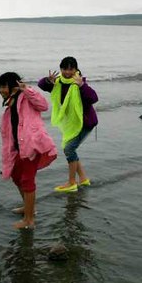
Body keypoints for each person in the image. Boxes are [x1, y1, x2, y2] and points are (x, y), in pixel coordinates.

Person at [0, 72, 57, 229]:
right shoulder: (10, 102)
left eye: (4, 86)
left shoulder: (26, 96)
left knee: (27, 180)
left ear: (13, 86)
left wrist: (27, 89)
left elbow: (43, 106)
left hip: (33, 146)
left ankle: (29, 220)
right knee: (16, 176)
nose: (1, 90)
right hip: (19, 147)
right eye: (0, 87)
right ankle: (28, 207)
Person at [38, 56, 98, 193]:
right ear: (61, 69)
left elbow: (93, 98)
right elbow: (42, 85)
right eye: (65, 69)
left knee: (69, 149)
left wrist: (82, 86)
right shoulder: (58, 82)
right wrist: (48, 80)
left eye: (71, 69)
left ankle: (71, 183)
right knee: (70, 149)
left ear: (76, 69)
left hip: (85, 122)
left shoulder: (79, 83)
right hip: (71, 123)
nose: (67, 72)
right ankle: (83, 179)